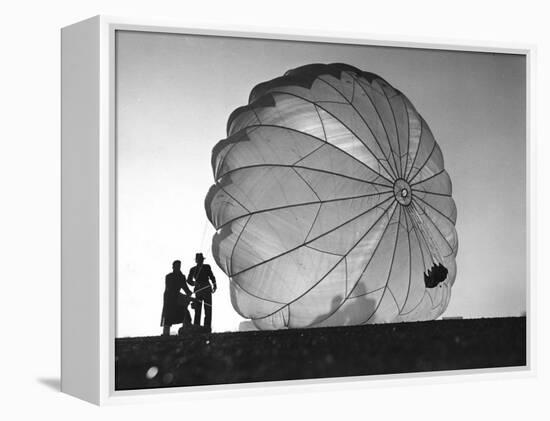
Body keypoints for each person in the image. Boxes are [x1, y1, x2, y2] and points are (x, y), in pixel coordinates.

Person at [161, 260, 192, 336]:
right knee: (168, 318)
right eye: (176, 266)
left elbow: (185, 288)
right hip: (169, 300)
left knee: (186, 315)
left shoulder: (182, 277)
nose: (178, 268)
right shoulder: (169, 277)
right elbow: (171, 289)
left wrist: (189, 293)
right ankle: (166, 335)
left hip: (178, 300)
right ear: (173, 267)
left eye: (179, 266)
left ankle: (185, 332)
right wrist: (186, 296)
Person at [187, 253, 217, 331]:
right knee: (199, 309)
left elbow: (212, 277)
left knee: (207, 309)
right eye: (200, 260)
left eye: (201, 260)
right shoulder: (193, 269)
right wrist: (194, 283)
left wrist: (214, 285)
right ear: (197, 260)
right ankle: (197, 326)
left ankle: (206, 327)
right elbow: (189, 280)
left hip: (204, 290)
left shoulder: (206, 267)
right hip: (202, 290)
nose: (201, 261)